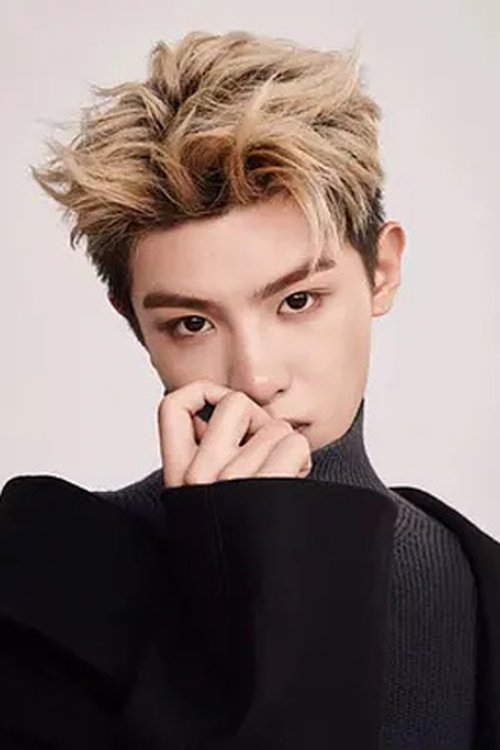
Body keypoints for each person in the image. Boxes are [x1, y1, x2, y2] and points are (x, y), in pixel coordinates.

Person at [1, 30, 499, 750]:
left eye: (297, 301)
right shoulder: (43, 582)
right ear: (136, 324)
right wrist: (245, 560)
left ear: (382, 271)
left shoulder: (479, 581)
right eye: (192, 323)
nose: (256, 378)